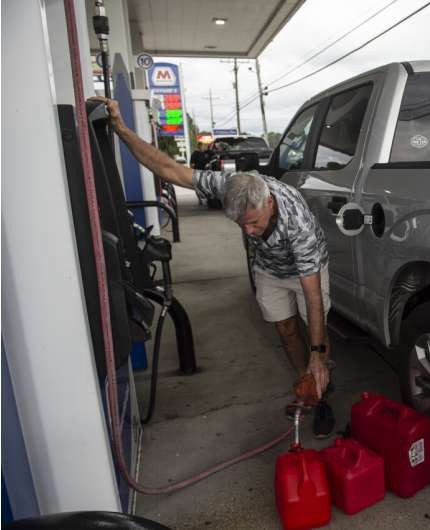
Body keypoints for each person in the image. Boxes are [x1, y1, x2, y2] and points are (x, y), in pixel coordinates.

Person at [95, 97, 335, 437]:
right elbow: (169, 169)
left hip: (306, 269)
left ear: (268, 202)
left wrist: (316, 353)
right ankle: (307, 386)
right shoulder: (231, 185)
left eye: (252, 223)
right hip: (269, 268)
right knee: (284, 331)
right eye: (240, 225)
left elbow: (311, 298)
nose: (248, 232)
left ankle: (323, 381)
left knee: (316, 330)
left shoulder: (299, 225)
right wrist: (121, 129)